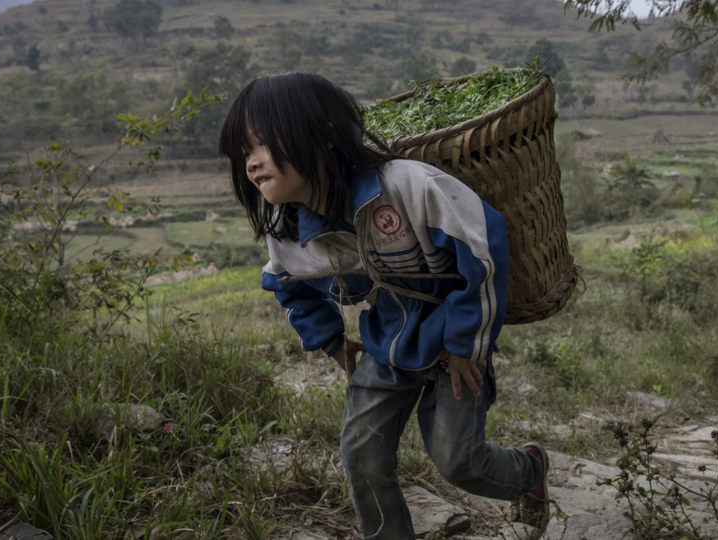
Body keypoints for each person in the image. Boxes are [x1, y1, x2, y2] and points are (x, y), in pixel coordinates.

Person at [217, 71, 551, 539]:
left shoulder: (405, 186)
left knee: (459, 462)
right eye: (244, 152)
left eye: (263, 145)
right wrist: (333, 343)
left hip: (454, 339)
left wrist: (464, 347)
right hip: (387, 343)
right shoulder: (289, 231)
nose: (252, 164)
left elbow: (482, 249)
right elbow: (287, 285)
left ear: (320, 137)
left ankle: (530, 472)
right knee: (362, 454)